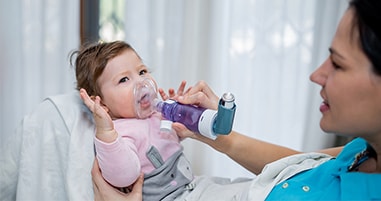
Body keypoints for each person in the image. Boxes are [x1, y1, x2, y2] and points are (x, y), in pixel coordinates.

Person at [97, 0, 381, 200]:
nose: (316, 74)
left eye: (339, 64)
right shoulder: (363, 151)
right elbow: (301, 163)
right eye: (123, 80)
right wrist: (218, 136)